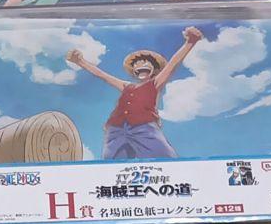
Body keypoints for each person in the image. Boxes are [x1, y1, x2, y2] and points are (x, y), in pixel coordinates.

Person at [65, 26, 203, 160]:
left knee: (163, 157)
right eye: (136, 65)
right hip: (116, 128)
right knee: (112, 162)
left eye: (145, 63)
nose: (140, 65)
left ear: (154, 69)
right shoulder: (127, 86)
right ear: (134, 72)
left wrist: (190, 42)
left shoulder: (155, 83)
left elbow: (172, 65)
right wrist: (80, 61)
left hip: (143, 126)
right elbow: (103, 75)